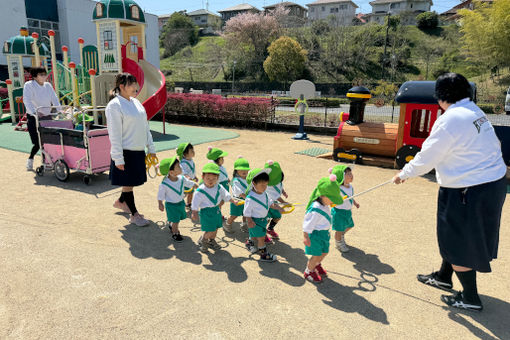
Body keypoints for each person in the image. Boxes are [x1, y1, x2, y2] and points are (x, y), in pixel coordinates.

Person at [392, 73, 507, 311]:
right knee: (455, 235)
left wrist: (404, 173)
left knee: (457, 239)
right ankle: (444, 277)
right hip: (490, 183)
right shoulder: (475, 111)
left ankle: (470, 298)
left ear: (441, 97)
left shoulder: (451, 119)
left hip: (468, 189)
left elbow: (428, 156)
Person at [107, 73, 156, 227]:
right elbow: (114, 134)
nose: (136, 87)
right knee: (128, 183)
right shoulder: (114, 106)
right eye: (132, 84)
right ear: (121, 87)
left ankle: (121, 201)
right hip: (125, 152)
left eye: (135, 84)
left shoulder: (136, 103)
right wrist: (118, 158)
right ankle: (134, 214)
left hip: (138, 151)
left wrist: (151, 147)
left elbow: (145, 127)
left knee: (131, 182)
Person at [303, 175, 344, 283]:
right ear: (323, 196)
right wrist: (306, 236)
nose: (333, 201)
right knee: (316, 255)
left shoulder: (325, 204)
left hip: (324, 234)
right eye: (332, 198)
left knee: (324, 252)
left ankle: (316, 265)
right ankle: (308, 271)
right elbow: (308, 223)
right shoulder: (315, 208)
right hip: (315, 235)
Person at [191, 162, 237, 253]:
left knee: (216, 228)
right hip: (206, 212)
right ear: (203, 177)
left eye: (214, 178)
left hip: (216, 210)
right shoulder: (200, 190)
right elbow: (195, 202)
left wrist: (233, 201)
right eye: (208, 178)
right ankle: (203, 240)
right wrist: (194, 212)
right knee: (210, 229)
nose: (211, 181)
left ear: (217, 178)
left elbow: (226, 195)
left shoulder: (218, 186)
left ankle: (211, 241)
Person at [23, 67, 61, 170]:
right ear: (35, 76)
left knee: (49, 141)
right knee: (38, 143)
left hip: (47, 117)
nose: (44, 77)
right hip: (34, 117)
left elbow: (55, 99)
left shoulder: (48, 85)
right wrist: (35, 113)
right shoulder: (29, 85)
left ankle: (49, 161)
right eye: (41, 75)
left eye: (45, 74)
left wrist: (60, 110)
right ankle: (30, 159)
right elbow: (27, 100)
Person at [243, 168, 283, 262]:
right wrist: (249, 221)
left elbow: (269, 203)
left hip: (263, 219)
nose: (264, 187)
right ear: (254, 183)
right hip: (255, 221)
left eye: (266, 184)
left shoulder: (264, 193)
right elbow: (246, 211)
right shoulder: (250, 198)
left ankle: (249, 243)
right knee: (261, 238)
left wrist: (278, 207)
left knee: (254, 235)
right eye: (262, 184)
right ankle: (263, 255)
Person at [157, 156, 197, 242]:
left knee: (177, 218)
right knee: (176, 221)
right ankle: (175, 233)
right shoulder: (164, 184)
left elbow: (188, 182)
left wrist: (194, 185)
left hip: (180, 203)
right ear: (171, 172)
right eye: (178, 166)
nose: (181, 167)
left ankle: (171, 225)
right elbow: (160, 194)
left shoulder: (181, 178)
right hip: (171, 206)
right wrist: (160, 203)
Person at [329, 165, 360, 252]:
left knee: (350, 225)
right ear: (341, 177)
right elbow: (331, 200)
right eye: (348, 174)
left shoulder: (350, 187)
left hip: (347, 211)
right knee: (339, 229)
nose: (351, 175)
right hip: (338, 212)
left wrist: (355, 203)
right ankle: (339, 243)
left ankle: (341, 236)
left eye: (351, 173)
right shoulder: (338, 189)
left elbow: (351, 197)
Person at [264, 160, 289, 241]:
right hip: (267, 205)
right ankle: (263, 234)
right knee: (265, 220)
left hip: (274, 204)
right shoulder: (269, 185)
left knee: (277, 217)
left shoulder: (277, 181)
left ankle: (270, 229)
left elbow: (280, 188)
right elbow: (276, 197)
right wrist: (284, 202)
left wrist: (283, 192)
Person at [225, 156, 250, 233]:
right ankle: (227, 224)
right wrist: (247, 197)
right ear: (236, 170)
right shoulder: (235, 180)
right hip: (237, 201)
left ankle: (244, 224)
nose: (244, 171)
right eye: (241, 169)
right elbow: (239, 193)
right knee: (234, 215)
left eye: (246, 169)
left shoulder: (248, 178)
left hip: (246, 200)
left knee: (246, 213)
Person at [176, 142, 196, 209]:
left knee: (191, 192)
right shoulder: (183, 163)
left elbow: (191, 170)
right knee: (184, 193)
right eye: (191, 151)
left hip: (191, 180)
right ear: (185, 154)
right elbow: (183, 171)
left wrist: (194, 176)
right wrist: (187, 177)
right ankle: (176, 202)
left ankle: (189, 204)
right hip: (185, 181)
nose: (193, 152)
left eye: (193, 150)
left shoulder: (190, 160)